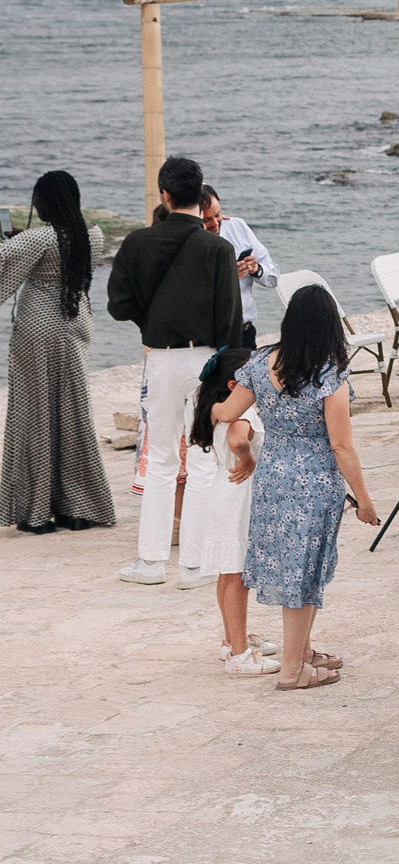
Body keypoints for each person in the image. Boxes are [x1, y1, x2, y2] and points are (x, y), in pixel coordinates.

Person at [210, 283, 379, 690]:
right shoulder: (329, 375)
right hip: (316, 480)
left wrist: (207, 404)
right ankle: (292, 670)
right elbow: (341, 445)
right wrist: (366, 501)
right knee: (307, 572)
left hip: (271, 477)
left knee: (290, 566)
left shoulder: (261, 362)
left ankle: (301, 654)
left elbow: (227, 412)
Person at [107, 155, 240, 584]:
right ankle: (195, 566)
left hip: (160, 357)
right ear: (201, 199)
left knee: (161, 461)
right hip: (205, 359)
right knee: (202, 462)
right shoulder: (219, 248)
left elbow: (118, 306)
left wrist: (153, 321)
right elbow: (230, 322)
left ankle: (150, 562)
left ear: (164, 195)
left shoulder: (137, 242)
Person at [1, 170, 114, 534]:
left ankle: (36, 513)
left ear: (44, 202)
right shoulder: (93, 235)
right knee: (72, 415)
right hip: (75, 325)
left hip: (38, 327)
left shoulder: (38, 238)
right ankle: (78, 507)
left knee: (34, 414)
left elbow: (6, 261)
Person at [181, 350, 268, 673]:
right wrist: (249, 460)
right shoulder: (243, 414)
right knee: (238, 577)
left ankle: (232, 639)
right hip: (239, 494)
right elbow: (236, 440)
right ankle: (240, 654)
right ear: (235, 385)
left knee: (227, 574)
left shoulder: (216, 410)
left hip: (222, 491)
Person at [199, 187, 275, 348]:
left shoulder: (237, 226)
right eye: (206, 220)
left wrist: (256, 269)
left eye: (217, 215)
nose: (214, 224)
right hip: (206, 337)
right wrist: (228, 275)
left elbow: (273, 277)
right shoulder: (189, 240)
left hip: (243, 333)